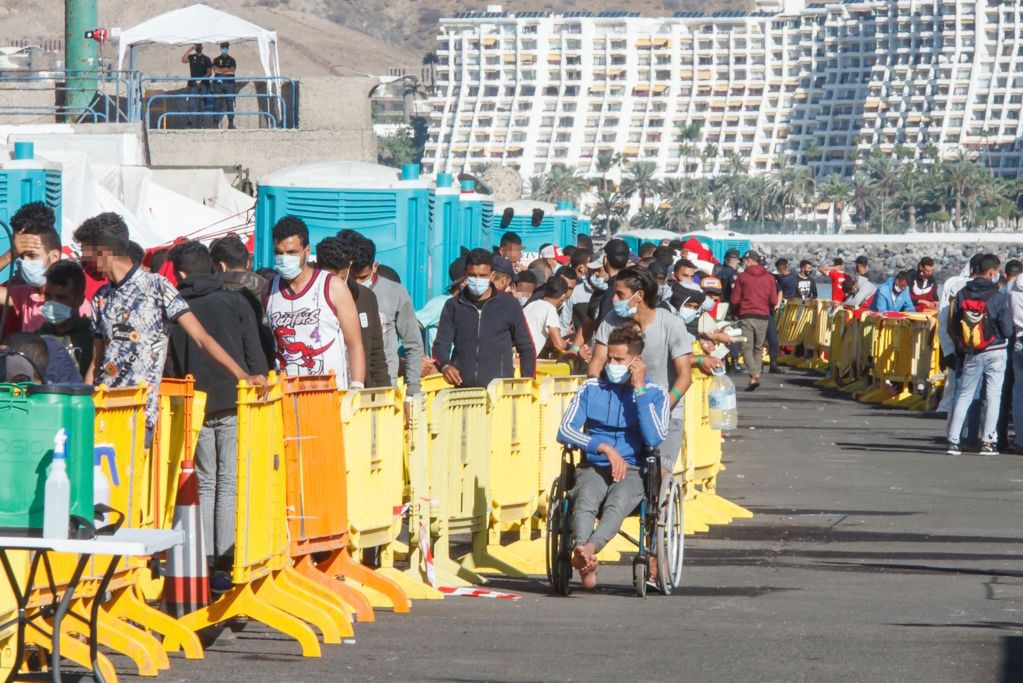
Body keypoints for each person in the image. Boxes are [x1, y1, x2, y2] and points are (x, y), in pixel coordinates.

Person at [75, 213, 264, 445]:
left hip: (139, 415)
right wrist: (83, 405)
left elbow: (201, 337)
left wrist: (243, 375)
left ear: (103, 252)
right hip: (102, 412)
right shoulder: (101, 297)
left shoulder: (157, 287)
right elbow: (97, 361)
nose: (85, 262)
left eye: (86, 253)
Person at [165, 241, 269, 589]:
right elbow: (254, 353)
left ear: (180, 273)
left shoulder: (176, 308)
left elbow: (171, 362)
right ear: (211, 267)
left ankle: (205, 560)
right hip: (235, 399)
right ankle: (225, 560)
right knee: (229, 482)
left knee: (206, 480)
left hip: (193, 403)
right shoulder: (235, 300)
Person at [558, 321, 668, 589]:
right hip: (594, 466)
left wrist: (639, 389)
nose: (612, 364)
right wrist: (603, 447)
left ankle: (587, 550)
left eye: (620, 359)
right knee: (585, 498)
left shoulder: (655, 394)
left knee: (617, 503)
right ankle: (584, 555)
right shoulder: (591, 389)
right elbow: (564, 430)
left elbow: (654, 438)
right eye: (610, 358)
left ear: (636, 361)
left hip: (632, 468)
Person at [588, 267, 693, 474]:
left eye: (620, 294)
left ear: (639, 296)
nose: (614, 299)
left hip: (666, 414)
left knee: (658, 476)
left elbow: (685, 376)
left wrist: (663, 406)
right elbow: (597, 362)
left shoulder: (670, 324)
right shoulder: (611, 321)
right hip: (621, 412)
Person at [264, 217, 365, 388]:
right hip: (286, 398)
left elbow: (354, 343)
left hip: (329, 396)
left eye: (291, 252)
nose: (284, 258)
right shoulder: (270, 290)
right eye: (278, 253)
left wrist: (356, 387)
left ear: (306, 250)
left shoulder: (332, 286)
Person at [432, 248, 535, 388]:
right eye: (473, 275)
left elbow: (526, 347)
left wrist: (526, 385)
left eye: (483, 275)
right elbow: (440, 345)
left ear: (492, 275)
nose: (477, 280)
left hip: (500, 393)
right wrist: (445, 365)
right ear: (465, 275)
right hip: (463, 392)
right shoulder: (453, 306)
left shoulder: (509, 305)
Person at [946, 254, 1013, 456]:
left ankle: (953, 440)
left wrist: (963, 344)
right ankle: (987, 442)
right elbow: (1007, 328)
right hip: (996, 350)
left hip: (972, 350)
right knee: (993, 396)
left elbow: (955, 321)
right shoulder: (997, 296)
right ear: (991, 272)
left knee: (964, 396)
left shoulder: (962, 293)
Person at [343, 232, 425, 398]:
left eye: (363, 278)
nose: (358, 285)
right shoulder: (338, 292)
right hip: (346, 386)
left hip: (384, 388)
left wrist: (412, 390)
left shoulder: (396, 293)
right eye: (353, 278)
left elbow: (413, 344)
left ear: (375, 266)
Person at [0, 203, 89, 335]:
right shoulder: (27, 295)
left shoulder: (77, 302)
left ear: (54, 257)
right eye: (20, 256)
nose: (24, 263)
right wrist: (9, 256)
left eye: (32, 255)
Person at [315, 236, 390, 388]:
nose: (336, 285)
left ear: (349, 266)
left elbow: (376, 354)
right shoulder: (310, 298)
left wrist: (386, 391)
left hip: (358, 391)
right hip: (320, 390)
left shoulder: (365, 297)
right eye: (329, 278)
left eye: (340, 278)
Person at [209, 234, 274, 367]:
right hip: (262, 366)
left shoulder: (210, 291)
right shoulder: (268, 289)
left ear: (221, 266)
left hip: (221, 367)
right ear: (248, 263)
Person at [731, 250, 779, 392]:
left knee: (746, 347)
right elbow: (774, 300)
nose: (742, 264)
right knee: (758, 348)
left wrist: (734, 311)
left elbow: (735, 299)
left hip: (746, 314)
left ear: (748, 261)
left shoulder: (742, 277)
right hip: (763, 316)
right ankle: (754, 376)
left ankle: (754, 374)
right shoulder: (770, 278)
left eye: (743, 261)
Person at [37, 260, 94, 378]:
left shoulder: (93, 338)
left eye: (61, 297)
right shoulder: (39, 338)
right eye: (48, 296)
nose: (53, 303)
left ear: (79, 300)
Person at [523, 276, 570, 358]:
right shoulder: (550, 309)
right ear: (563, 296)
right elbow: (558, 344)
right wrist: (572, 347)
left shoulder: (531, 305)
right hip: (525, 360)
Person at [182, 43, 212, 128]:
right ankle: (189, 123)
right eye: (196, 46)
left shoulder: (206, 59)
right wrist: (189, 49)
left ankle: (201, 125)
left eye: (199, 46)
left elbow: (209, 72)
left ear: (202, 47)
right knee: (191, 103)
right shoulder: (192, 57)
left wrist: (202, 79)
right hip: (193, 85)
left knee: (202, 104)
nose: (198, 48)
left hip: (203, 85)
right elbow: (183, 60)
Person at [211, 42, 237, 129]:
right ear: (220, 48)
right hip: (218, 84)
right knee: (217, 102)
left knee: (230, 102)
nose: (224, 49)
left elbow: (232, 71)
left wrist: (221, 70)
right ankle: (215, 123)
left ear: (228, 48)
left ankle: (231, 122)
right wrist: (226, 69)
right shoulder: (216, 59)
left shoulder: (232, 60)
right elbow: (215, 71)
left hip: (229, 84)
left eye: (226, 47)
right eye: (223, 47)